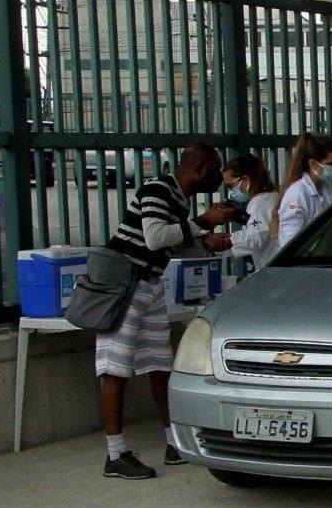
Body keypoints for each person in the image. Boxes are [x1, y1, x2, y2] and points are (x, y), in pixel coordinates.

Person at [97, 142, 236, 480]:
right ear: (200, 169)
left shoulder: (178, 199)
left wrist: (204, 241)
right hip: (125, 285)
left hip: (148, 284)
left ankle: (174, 442)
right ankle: (115, 454)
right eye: (216, 170)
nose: (219, 177)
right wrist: (203, 221)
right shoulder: (158, 190)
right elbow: (156, 237)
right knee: (115, 368)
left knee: (160, 365)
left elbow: (171, 245)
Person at [277, 132, 332, 248]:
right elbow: (291, 240)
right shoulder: (297, 194)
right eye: (331, 164)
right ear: (313, 164)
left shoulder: (324, 188)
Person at [221, 153, 280, 273]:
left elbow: (254, 239)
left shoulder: (260, 202)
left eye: (230, 186)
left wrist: (223, 243)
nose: (231, 191)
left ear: (245, 180)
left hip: (272, 267)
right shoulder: (271, 196)